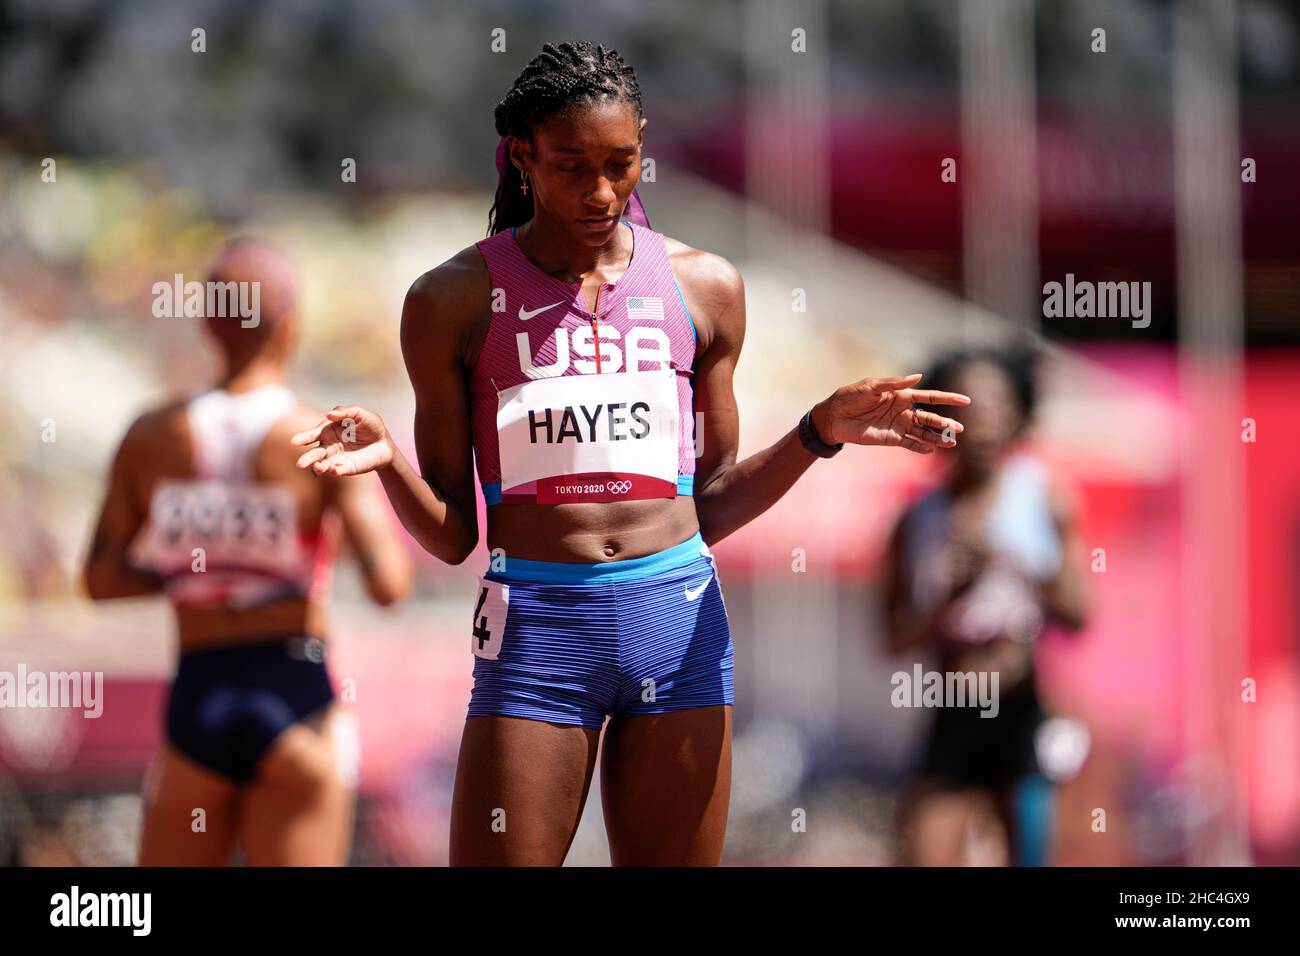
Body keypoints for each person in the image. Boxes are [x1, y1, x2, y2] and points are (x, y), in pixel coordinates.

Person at [291, 40, 969, 866]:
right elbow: (452, 536)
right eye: (572, 165)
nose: (601, 190)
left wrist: (816, 432)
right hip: (538, 633)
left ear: (644, 146)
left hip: (676, 623)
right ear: (523, 158)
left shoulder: (705, 286)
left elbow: (709, 504)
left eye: (622, 163)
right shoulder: (453, 299)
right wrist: (390, 459)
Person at [84, 237, 412, 865]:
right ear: (289, 330)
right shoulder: (320, 436)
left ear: (209, 326)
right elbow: (389, 585)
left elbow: (100, 580)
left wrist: (194, 568)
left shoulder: (151, 437)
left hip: (197, 697)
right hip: (295, 696)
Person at [882, 345, 1088, 866]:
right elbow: (894, 638)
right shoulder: (916, 519)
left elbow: (1078, 615)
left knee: (1031, 852)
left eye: (997, 403)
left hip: (1021, 700)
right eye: (967, 405)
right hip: (951, 702)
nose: (982, 417)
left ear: (1020, 413)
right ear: (942, 419)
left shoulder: (1044, 499)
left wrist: (1012, 563)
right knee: (925, 850)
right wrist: (951, 595)